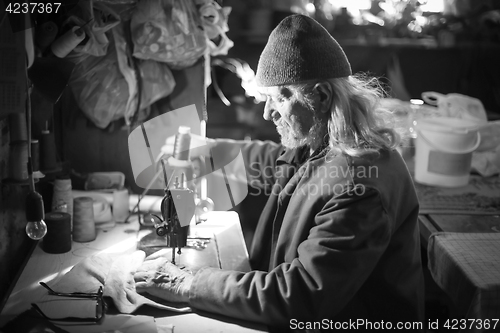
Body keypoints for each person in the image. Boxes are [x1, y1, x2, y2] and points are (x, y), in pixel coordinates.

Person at [133, 14, 425, 331]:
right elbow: (278, 162)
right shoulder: (325, 141)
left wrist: (187, 285)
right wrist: (208, 151)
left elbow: (298, 296)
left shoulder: (360, 187)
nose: (267, 112)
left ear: (322, 96)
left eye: (279, 98)